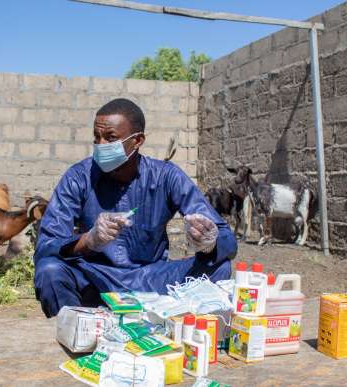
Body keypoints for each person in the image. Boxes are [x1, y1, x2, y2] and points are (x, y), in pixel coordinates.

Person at [34, 98, 237, 318]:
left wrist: (208, 241)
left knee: (219, 267)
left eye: (110, 138)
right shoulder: (78, 177)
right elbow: (47, 244)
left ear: (137, 140)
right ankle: (76, 331)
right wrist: (89, 240)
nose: (100, 146)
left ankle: (180, 327)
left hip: (151, 280)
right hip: (94, 278)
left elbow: (226, 239)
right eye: (96, 137)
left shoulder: (166, 176)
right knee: (50, 270)